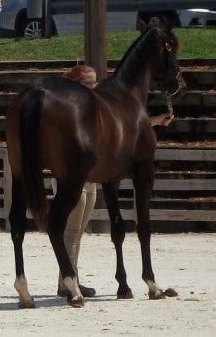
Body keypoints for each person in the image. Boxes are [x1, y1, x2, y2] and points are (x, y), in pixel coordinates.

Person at [57, 64, 173, 299]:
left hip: (90, 180)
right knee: (70, 231)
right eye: (90, 84)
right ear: (77, 86)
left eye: (95, 82)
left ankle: (72, 277)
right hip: (74, 178)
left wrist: (154, 122)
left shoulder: (92, 110)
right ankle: (65, 282)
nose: (95, 87)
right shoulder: (71, 113)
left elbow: (119, 128)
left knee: (78, 231)